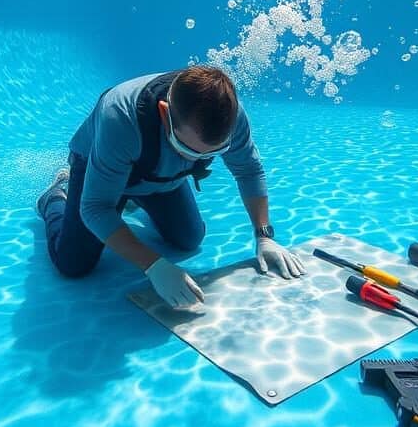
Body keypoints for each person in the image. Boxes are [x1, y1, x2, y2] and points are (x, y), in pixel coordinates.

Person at [36, 66, 306, 308]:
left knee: (189, 239)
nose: (195, 160)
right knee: (73, 264)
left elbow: (249, 169)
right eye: (186, 148)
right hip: (98, 167)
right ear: (165, 113)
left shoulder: (230, 115)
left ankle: (135, 199)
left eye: (210, 153)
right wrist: (153, 265)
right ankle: (56, 194)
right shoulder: (119, 117)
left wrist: (264, 236)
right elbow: (95, 209)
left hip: (160, 178)